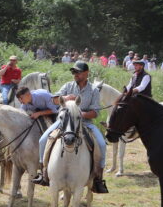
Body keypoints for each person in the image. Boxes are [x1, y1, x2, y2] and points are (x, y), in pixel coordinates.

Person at [32, 60, 108, 193]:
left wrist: (79, 114)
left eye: (78, 72)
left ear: (86, 73)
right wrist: (66, 97)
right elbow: (54, 100)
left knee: (101, 144)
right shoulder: (68, 86)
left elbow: (95, 112)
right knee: (43, 140)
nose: (75, 74)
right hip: (65, 122)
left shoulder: (94, 90)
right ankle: (43, 172)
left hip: (85, 123)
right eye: (74, 72)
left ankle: (98, 178)